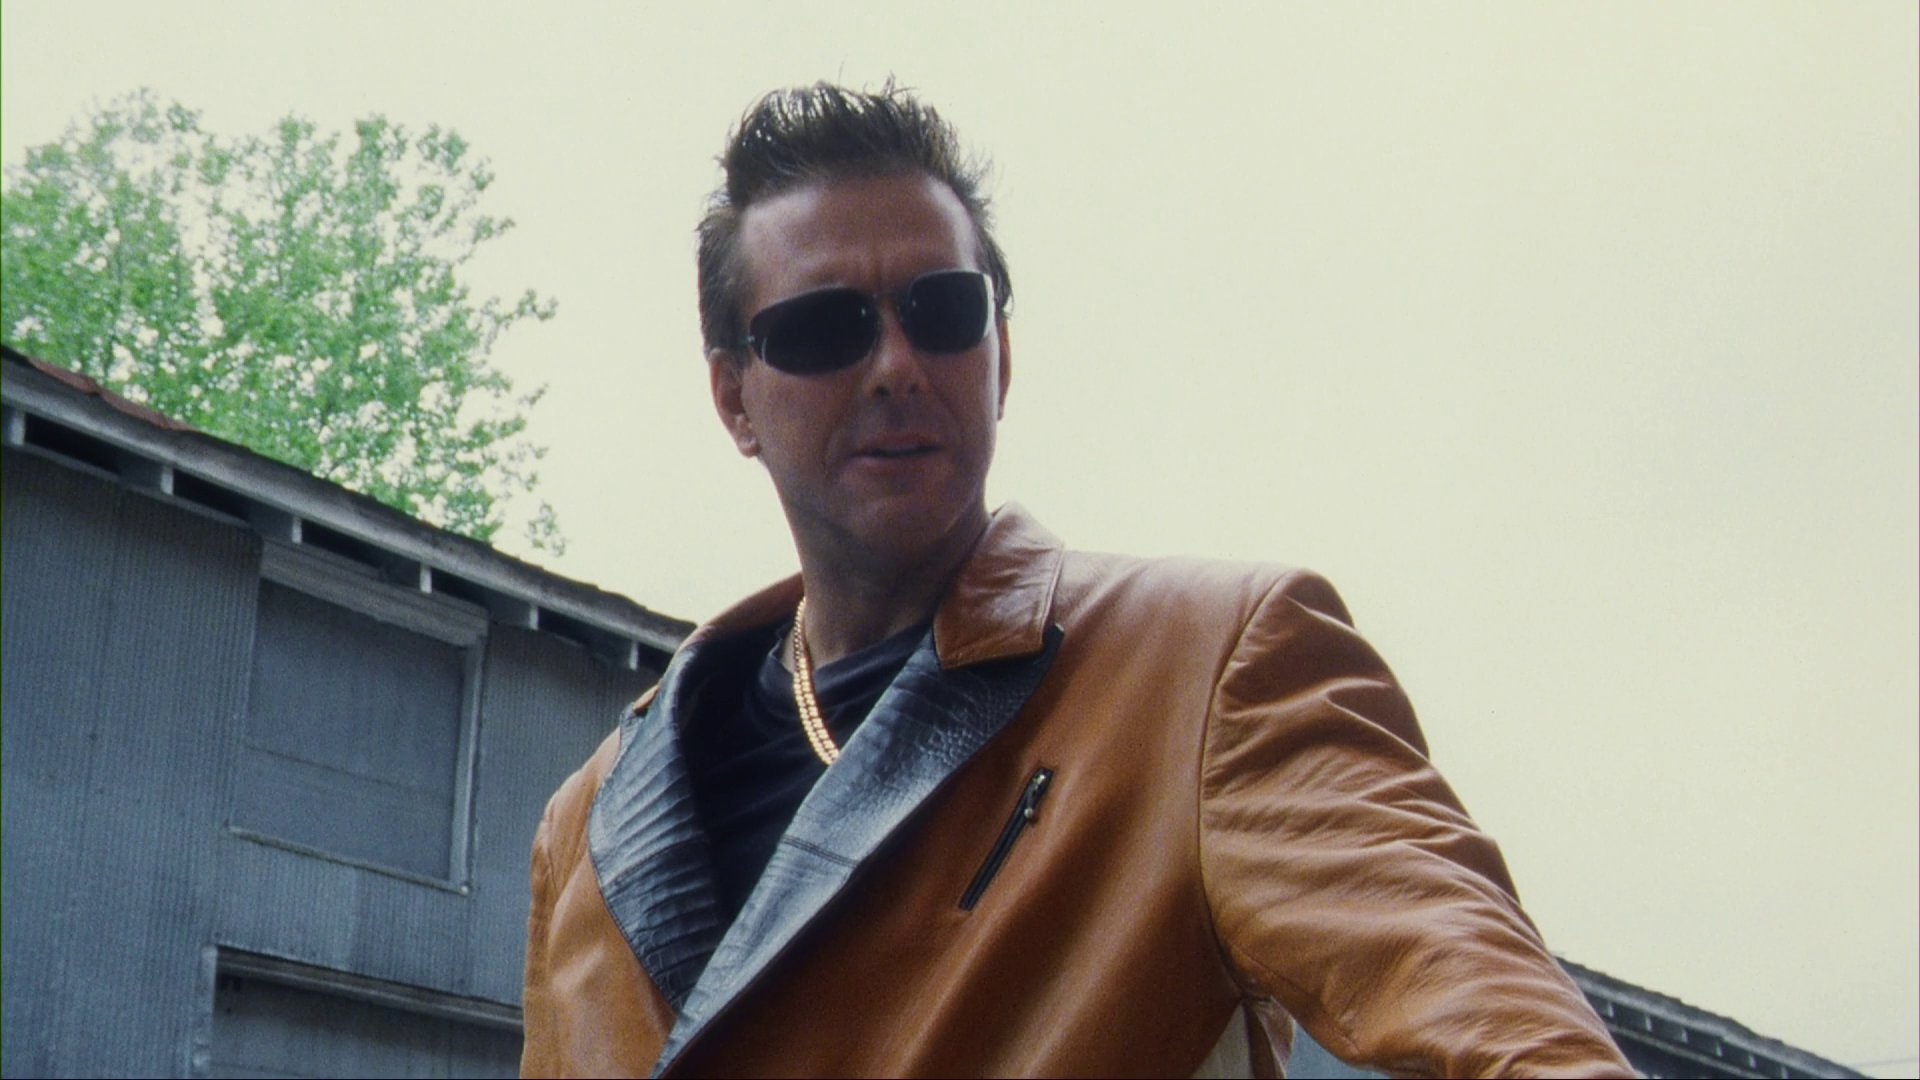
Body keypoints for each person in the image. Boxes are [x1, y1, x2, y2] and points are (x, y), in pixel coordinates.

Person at [520, 82, 1632, 1078]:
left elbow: (1501, 1016)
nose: (897, 365)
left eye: (943, 312)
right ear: (734, 398)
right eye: (825, 329)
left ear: (1001, 355)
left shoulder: (1208, 670)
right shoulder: (590, 827)